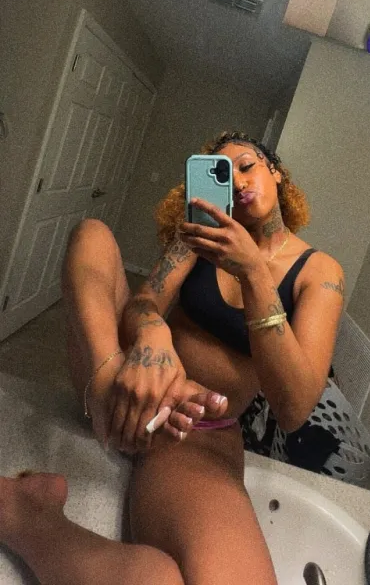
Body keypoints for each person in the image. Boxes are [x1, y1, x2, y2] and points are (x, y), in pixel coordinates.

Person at [0, 131, 344, 585]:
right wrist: (154, 333)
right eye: (223, 175)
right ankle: (105, 400)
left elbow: (293, 408)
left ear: (276, 172)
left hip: (197, 432)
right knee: (92, 234)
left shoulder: (319, 272)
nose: (239, 182)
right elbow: (142, 304)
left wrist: (253, 272)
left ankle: (27, 511)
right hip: (127, 384)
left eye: (247, 166)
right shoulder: (197, 239)